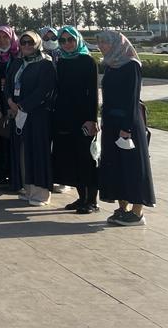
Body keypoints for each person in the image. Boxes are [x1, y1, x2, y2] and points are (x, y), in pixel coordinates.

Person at [97, 31, 156, 226]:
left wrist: (126, 128)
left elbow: (132, 100)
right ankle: (122, 208)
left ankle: (137, 212)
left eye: (106, 42)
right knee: (116, 165)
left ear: (117, 43)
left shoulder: (131, 65)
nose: (102, 46)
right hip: (112, 123)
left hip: (127, 123)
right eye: (100, 42)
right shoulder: (111, 65)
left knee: (133, 167)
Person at [51, 25, 100, 213]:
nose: (67, 44)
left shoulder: (88, 61)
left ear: (77, 40)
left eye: (70, 40)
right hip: (64, 117)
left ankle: (92, 201)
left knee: (86, 159)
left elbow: (94, 94)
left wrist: (92, 119)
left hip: (83, 118)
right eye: (62, 41)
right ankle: (82, 198)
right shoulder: (62, 62)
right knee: (72, 159)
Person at [5, 30, 56, 206]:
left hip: (37, 115)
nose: (26, 46)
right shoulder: (18, 62)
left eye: (30, 43)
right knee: (23, 152)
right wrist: (10, 101)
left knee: (38, 152)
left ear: (37, 44)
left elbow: (45, 90)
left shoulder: (45, 64)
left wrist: (23, 105)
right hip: (18, 115)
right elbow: (8, 84)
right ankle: (28, 189)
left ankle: (41, 193)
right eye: (23, 42)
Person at [0, 26, 19, 185]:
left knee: (13, 142)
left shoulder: (19, 57)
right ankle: (2, 174)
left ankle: (15, 176)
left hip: (14, 104)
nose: (2, 41)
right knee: (0, 140)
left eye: (5, 37)